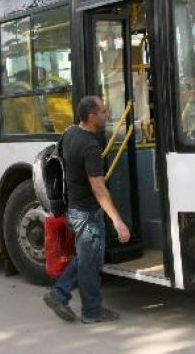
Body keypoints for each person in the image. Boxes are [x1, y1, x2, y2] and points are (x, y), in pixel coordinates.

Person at [43, 95, 131, 324]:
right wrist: (117, 221)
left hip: (74, 208)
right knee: (90, 262)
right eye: (103, 111)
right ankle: (90, 310)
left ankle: (60, 294)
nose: (106, 114)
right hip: (87, 213)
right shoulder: (90, 146)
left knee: (88, 259)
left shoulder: (70, 133)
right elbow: (99, 188)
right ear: (92, 117)